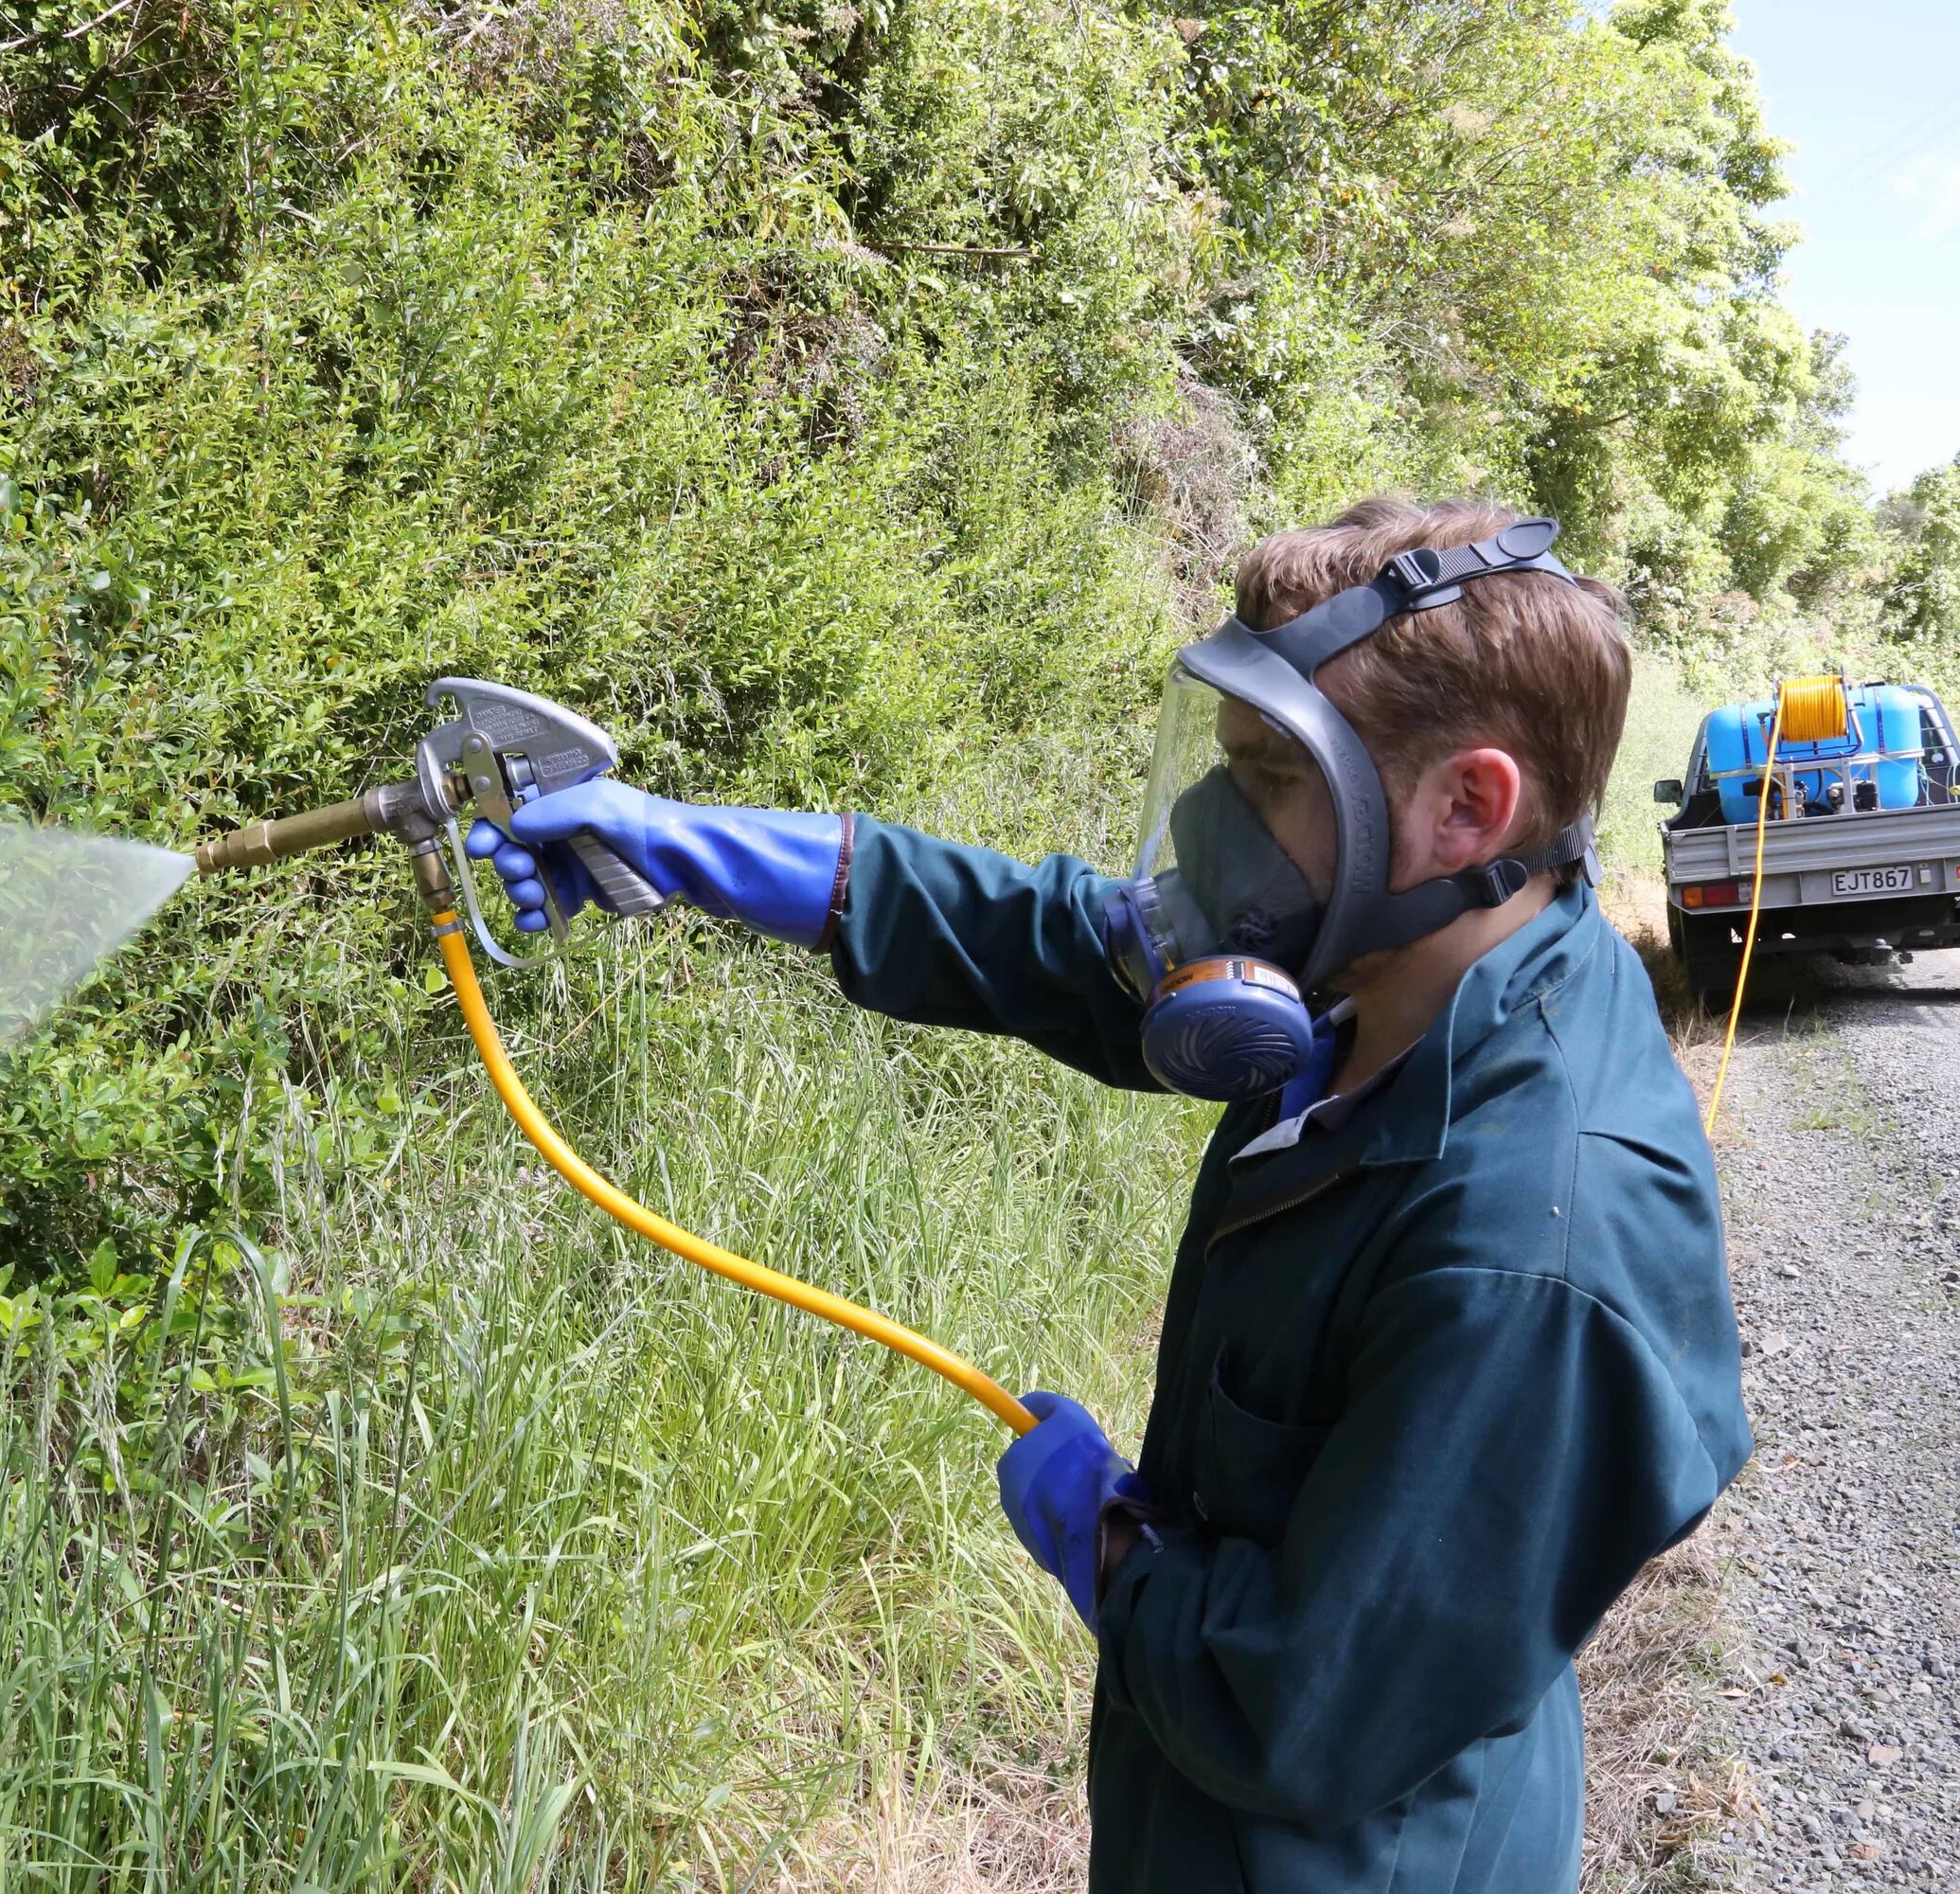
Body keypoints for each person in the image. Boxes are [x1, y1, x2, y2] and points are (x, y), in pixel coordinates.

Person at [468, 496, 1751, 1893]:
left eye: (1266, 777)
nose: (1212, 828)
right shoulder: (1407, 974)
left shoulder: (1525, 1256)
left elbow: (1306, 1709)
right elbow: (1059, 939)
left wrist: (1112, 1542)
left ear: (1464, 809)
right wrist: (682, 845)